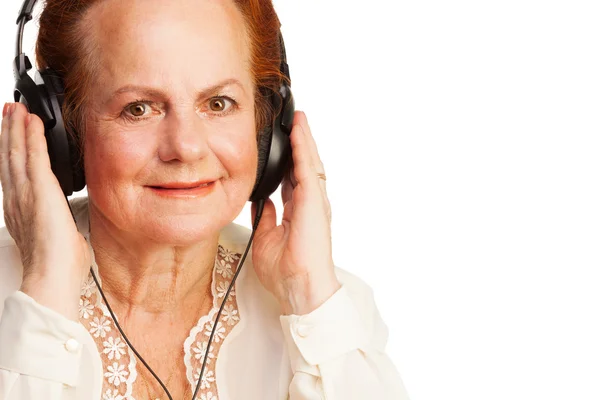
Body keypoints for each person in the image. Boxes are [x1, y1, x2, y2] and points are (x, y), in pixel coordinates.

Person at [0, 0, 409, 399]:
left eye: (218, 103)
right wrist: (46, 293)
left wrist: (307, 292)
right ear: (61, 134)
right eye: (138, 108)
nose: (186, 147)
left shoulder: (329, 313)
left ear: (269, 128)